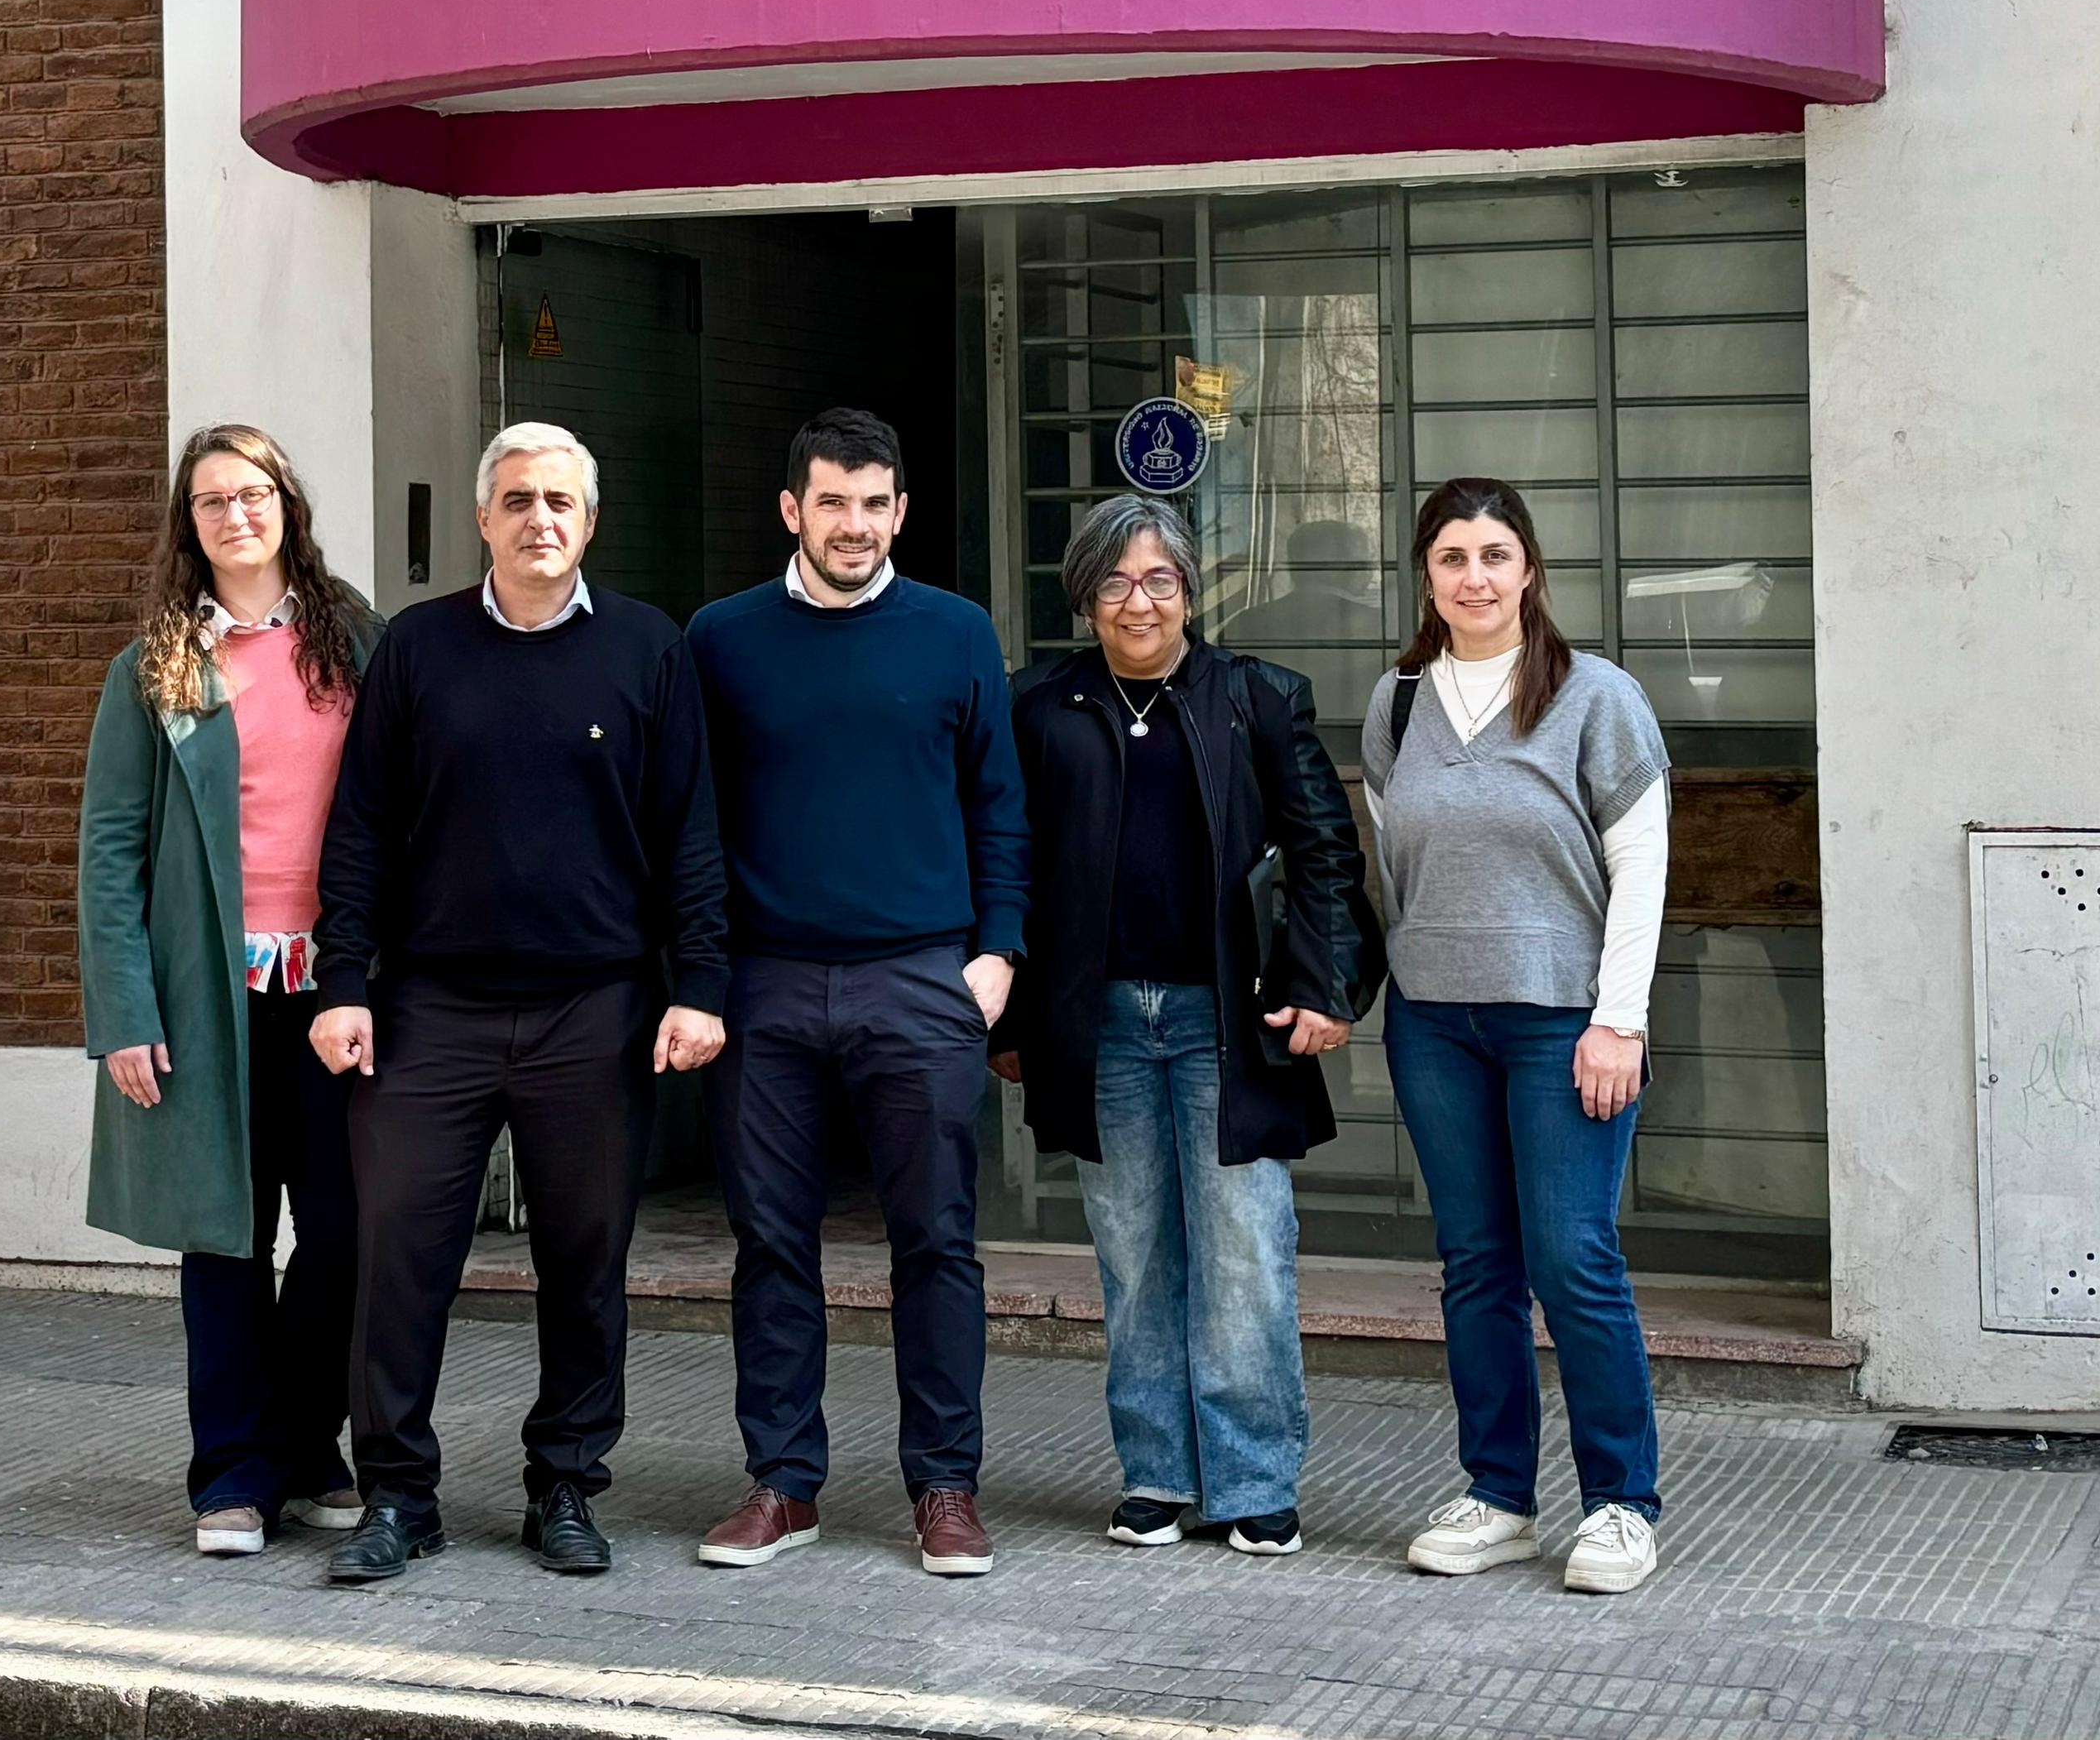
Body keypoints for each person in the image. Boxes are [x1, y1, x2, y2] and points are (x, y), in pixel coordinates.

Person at [309, 420, 730, 1587]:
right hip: (429, 1010)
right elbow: (360, 831)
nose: (539, 518)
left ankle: (566, 1484)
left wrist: (700, 985)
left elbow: (689, 833)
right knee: (399, 1259)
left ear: (589, 522)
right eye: (517, 499)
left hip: (592, 1013)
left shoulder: (649, 648)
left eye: (560, 500)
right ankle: (399, 1495)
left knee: (586, 1260)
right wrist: (344, 981)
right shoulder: (418, 650)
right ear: (483, 519)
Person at [682, 407, 1030, 1578]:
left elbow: (999, 803)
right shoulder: (721, 638)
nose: (855, 524)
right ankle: (784, 1482)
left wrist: (997, 955)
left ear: (901, 511)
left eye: (876, 503)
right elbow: (692, 820)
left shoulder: (955, 631)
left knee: (937, 1240)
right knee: (770, 1239)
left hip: (921, 975)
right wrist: (703, 974)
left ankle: (945, 1485)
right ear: (792, 508)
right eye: (833, 501)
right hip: (766, 982)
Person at [999, 493, 1378, 1560]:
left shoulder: (1256, 698)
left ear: (1191, 590)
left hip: (1229, 1018)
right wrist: (1015, 1021)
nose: (1138, 600)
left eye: (1159, 579)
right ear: (1085, 597)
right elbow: (1011, 872)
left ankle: (1254, 1480)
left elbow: (1325, 859)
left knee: (1245, 1252)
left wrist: (1328, 986)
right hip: (1101, 1023)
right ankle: (1158, 1475)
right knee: (1133, 1254)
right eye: (1114, 581)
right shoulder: (1040, 708)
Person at [75, 424, 381, 1558]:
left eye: (250, 493)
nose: (232, 515)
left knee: (347, 1231)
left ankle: (308, 1438)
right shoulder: (153, 666)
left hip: (334, 988)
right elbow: (108, 851)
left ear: (286, 505)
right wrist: (123, 1013)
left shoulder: (353, 640)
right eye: (208, 500)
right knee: (226, 1238)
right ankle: (234, 1473)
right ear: (187, 523)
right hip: (208, 993)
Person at [1364, 477, 1672, 1597]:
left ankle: (1621, 1504)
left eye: (1496, 554)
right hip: (1435, 1020)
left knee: (1573, 1259)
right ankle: (1498, 1493)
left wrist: (1618, 1018)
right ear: (1427, 574)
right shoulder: (1398, 702)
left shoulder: (1597, 698)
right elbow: (1403, 858)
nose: (1475, 577)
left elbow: (1640, 867)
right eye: (1452, 557)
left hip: (1566, 1025)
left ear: (1529, 568)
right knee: (1475, 1265)